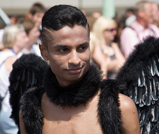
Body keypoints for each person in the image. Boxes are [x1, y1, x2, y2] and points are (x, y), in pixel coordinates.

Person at [18, 5, 140, 134]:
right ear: (44, 52)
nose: (75, 60)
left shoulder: (122, 107)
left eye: (82, 48)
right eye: (63, 50)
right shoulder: (31, 111)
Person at [0, 24, 29, 134]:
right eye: (23, 37)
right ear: (13, 38)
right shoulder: (14, 60)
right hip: (11, 111)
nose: (27, 39)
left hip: (5, 109)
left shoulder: (2, 55)